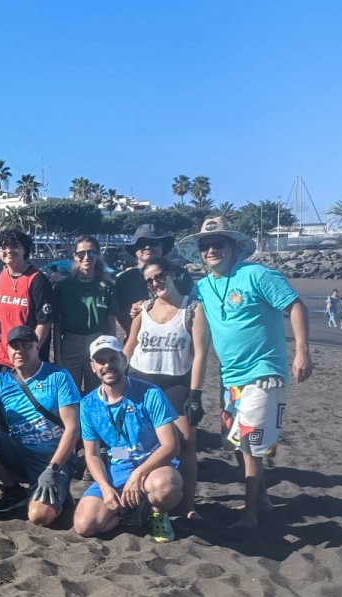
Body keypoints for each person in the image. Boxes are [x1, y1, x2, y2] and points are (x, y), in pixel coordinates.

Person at [178, 215, 312, 528]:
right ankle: (262, 500)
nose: (211, 250)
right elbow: (184, 310)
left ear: (234, 247)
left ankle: (250, 515)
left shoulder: (258, 275)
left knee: (251, 444)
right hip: (230, 377)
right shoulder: (203, 288)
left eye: (218, 244)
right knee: (237, 443)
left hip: (264, 372)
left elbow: (296, 307)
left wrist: (302, 353)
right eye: (205, 246)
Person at [0, 325, 81, 526]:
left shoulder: (58, 376)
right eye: (15, 346)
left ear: (37, 347)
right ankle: (13, 490)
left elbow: (73, 428)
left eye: (26, 345)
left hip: (55, 458)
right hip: (21, 454)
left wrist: (53, 468)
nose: (20, 351)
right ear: (8, 350)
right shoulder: (2, 381)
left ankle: (58, 488)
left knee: (39, 516)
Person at [122, 257, 210, 521]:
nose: (155, 283)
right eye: (149, 281)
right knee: (132, 442)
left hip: (175, 383)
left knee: (185, 445)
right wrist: (115, 378)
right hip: (139, 382)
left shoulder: (193, 310)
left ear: (171, 274)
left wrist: (195, 395)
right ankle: (132, 494)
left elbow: (201, 356)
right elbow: (128, 347)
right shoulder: (143, 309)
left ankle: (188, 504)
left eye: (159, 276)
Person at [73, 336, 184, 543]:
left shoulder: (149, 393)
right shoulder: (88, 404)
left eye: (113, 359)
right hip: (118, 465)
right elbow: (92, 454)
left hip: (153, 465)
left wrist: (138, 474)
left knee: (166, 486)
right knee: (84, 525)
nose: (107, 365)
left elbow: (171, 445)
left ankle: (157, 514)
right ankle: (131, 512)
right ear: (93, 366)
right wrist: (106, 487)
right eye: (100, 361)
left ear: (124, 360)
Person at [53, 235, 116, 393]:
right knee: (68, 392)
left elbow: (111, 323)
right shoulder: (63, 287)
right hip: (70, 344)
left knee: (97, 392)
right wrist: (58, 357)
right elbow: (57, 325)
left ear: (98, 255)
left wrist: (112, 352)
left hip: (98, 343)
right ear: (75, 256)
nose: (86, 257)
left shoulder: (107, 287)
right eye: (81, 254)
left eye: (91, 253)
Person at [0, 228, 56, 368]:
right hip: (1, 359)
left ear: (25, 249)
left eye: (14, 246)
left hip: (27, 360)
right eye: (3, 247)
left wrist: (31, 353)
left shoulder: (38, 280)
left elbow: (44, 322)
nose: (9, 250)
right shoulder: (0, 278)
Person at [114, 224, 175, 335]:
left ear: (162, 247)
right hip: (136, 344)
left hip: (173, 342)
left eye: (154, 243)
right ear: (135, 249)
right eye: (142, 243)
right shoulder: (123, 279)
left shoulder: (179, 275)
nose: (147, 247)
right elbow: (118, 313)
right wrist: (134, 332)